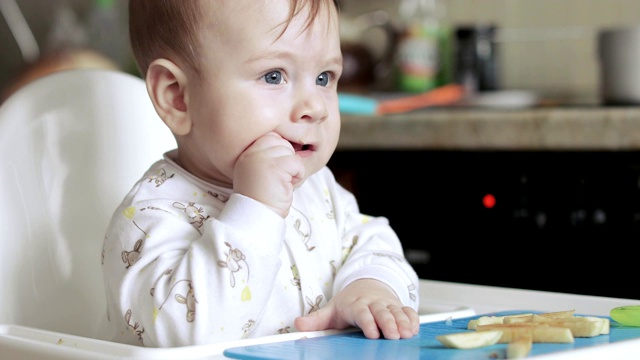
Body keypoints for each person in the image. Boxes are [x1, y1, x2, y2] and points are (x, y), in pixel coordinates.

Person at [101, 0, 420, 347]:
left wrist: (369, 288)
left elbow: (372, 242)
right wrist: (256, 208)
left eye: (324, 78)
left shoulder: (317, 189)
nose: (315, 107)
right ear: (178, 96)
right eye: (274, 76)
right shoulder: (149, 218)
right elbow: (186, 335)